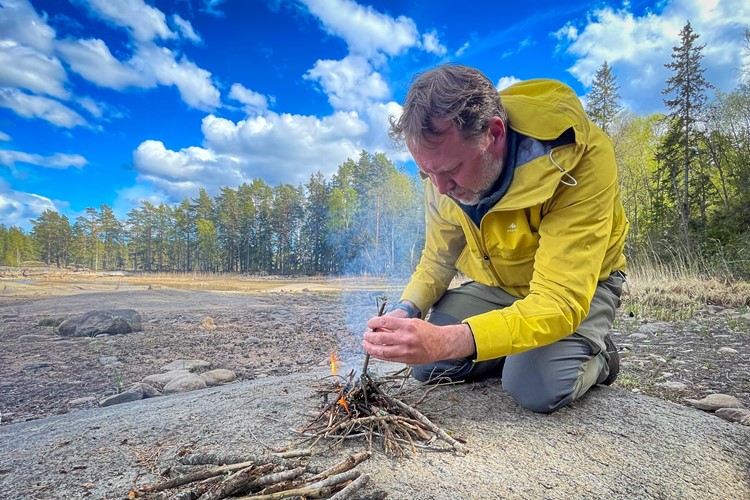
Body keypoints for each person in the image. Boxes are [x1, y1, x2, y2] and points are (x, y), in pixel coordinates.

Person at [362, 64, 629, 414]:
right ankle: (515, 344)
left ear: (494, 133)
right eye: (427, 173)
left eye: (450, 171)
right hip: (501, 287)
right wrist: (406, 308)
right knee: (428, 367)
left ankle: (599, 354)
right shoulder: (441, 176)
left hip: (579, 287)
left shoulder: (579, 159)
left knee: (535, 385)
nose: (441, 188)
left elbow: (558, 298)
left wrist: (448, 339)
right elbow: (438, 259)